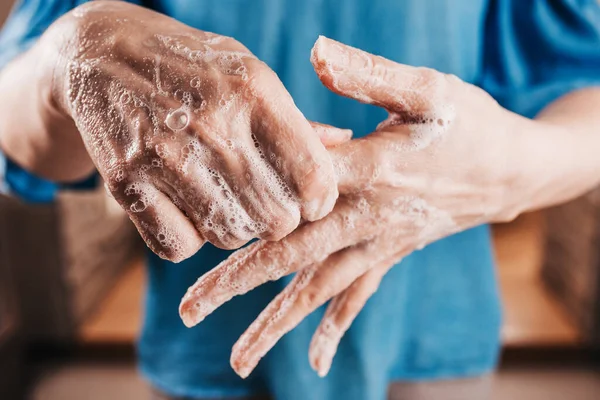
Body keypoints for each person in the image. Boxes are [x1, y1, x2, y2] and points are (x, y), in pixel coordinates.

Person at [1, 0, 599, 399]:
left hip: (431, 337)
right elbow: (12, 122)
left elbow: (586, 89)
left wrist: (510, 167)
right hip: (212, 351)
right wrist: (71, 51)